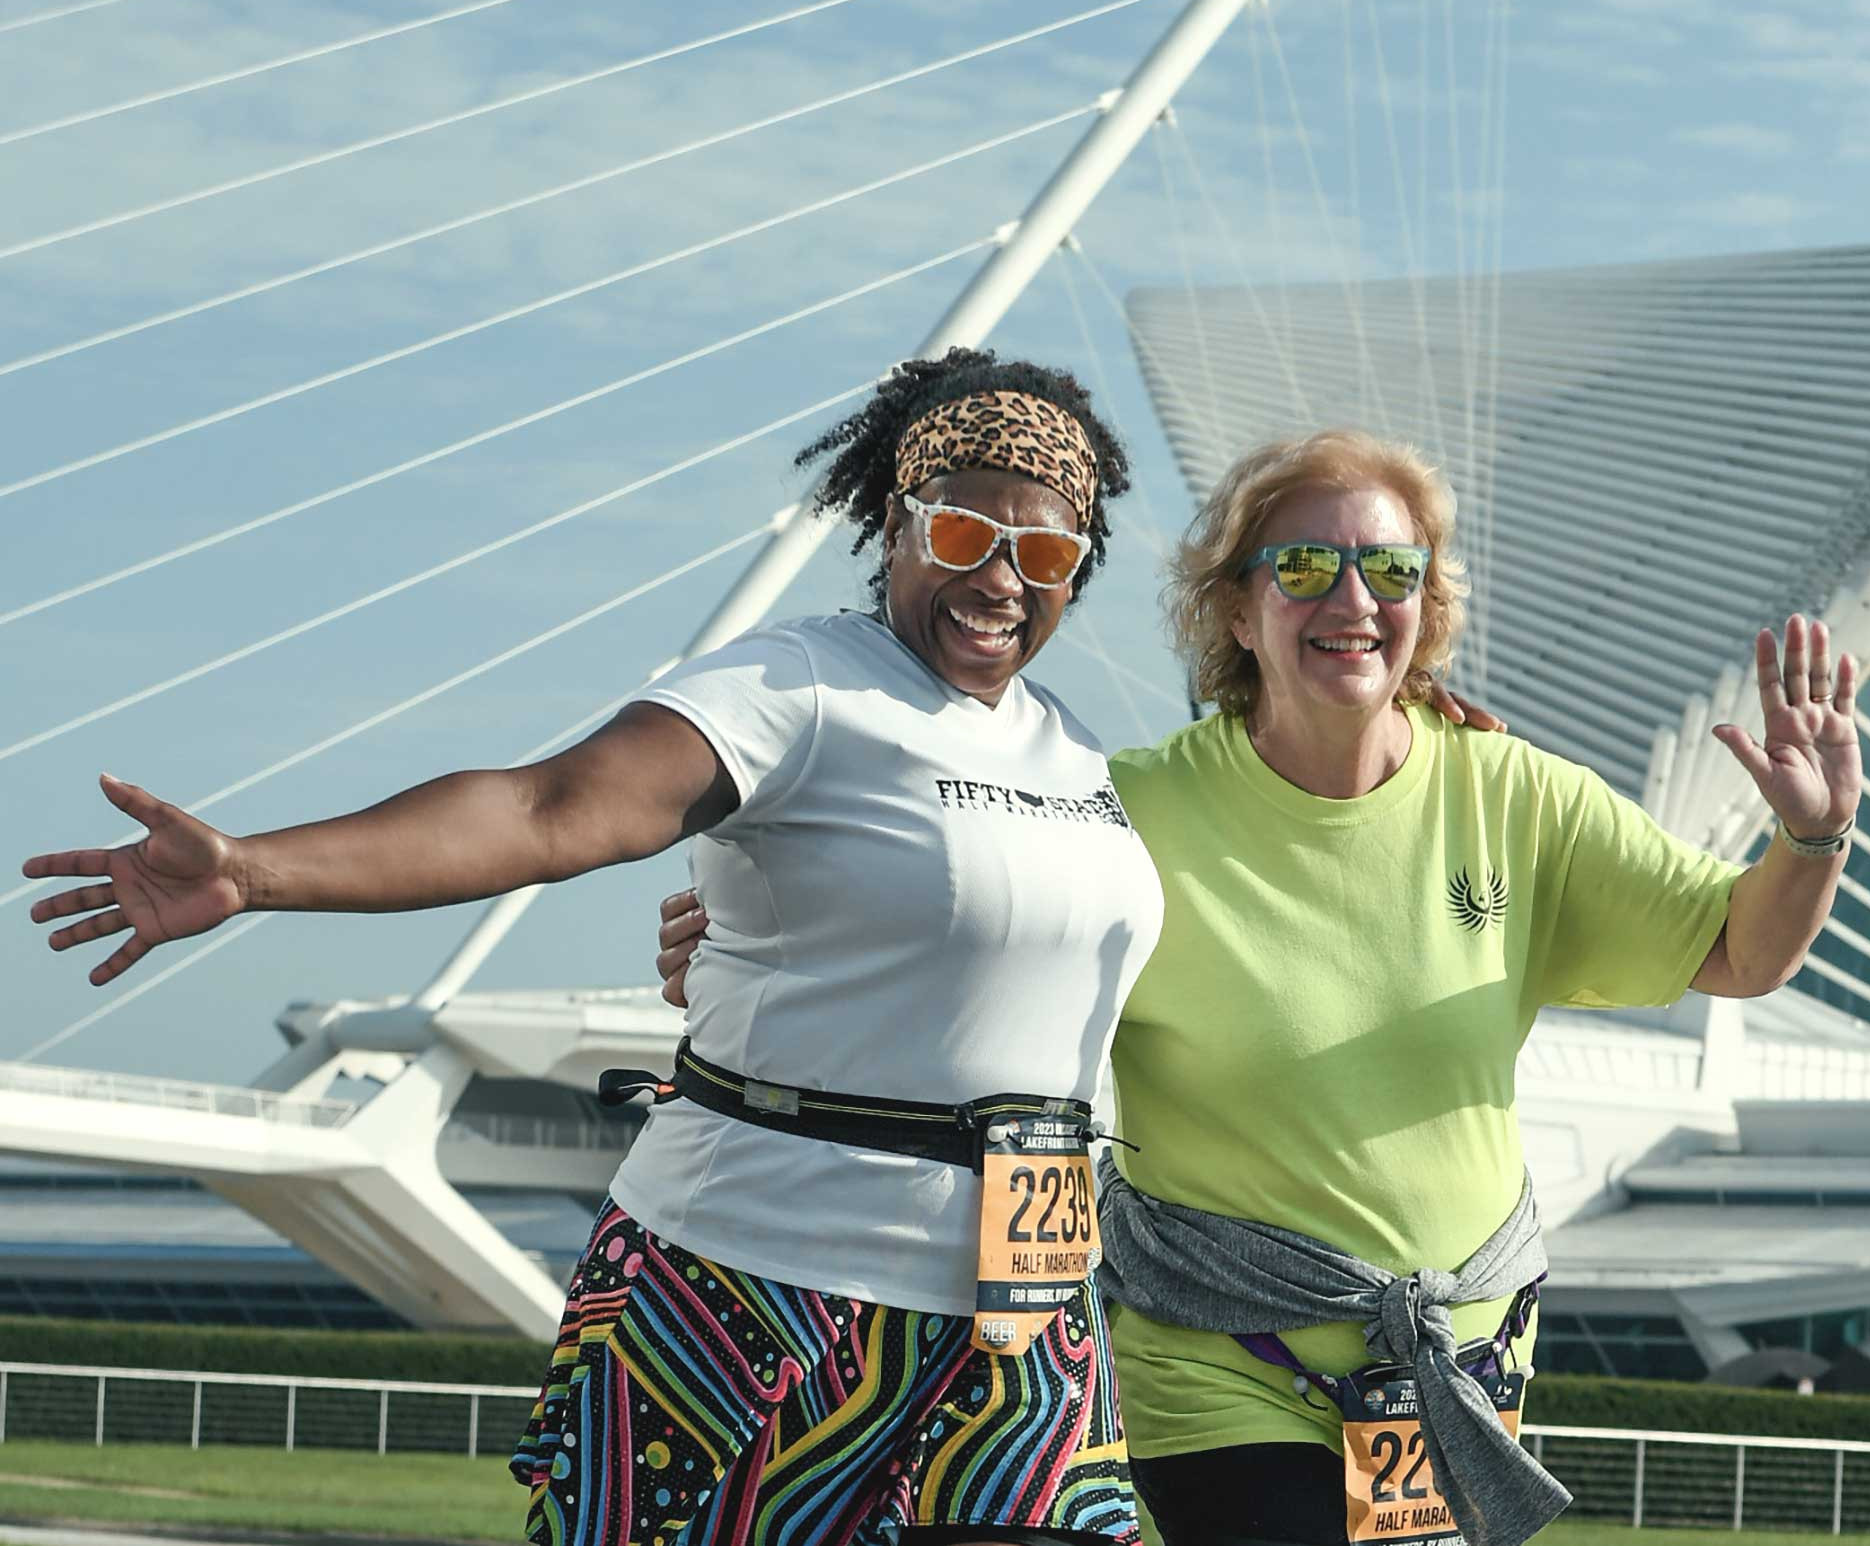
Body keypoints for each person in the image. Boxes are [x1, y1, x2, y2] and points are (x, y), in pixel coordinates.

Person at [22, 349, 1174, 1546]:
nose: (1001, 577)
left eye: (1043, 552)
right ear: (895, 520)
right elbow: (549, 808)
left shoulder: (1082, 753)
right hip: (763, 1285)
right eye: (964, 533)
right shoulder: (800, 686)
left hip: (1026, 1315)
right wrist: (256, 867)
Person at [662, 429, 1861, 1546]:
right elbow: (962, 929)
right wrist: (747, 942)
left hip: (1452, 1364)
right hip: (1220, 1359)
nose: (1353, 599)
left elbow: (1739, 952)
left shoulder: (1519, 796)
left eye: (1390, 568)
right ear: (1236, 607)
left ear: (1426, 607)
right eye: (1304, 564)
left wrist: (1812, 840)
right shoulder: (1120, 809)